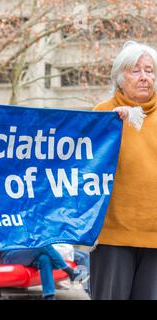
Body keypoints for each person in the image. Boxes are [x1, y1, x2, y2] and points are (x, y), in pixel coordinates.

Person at [91, 41, 157, 300]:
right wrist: (109, 128)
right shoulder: (103, 114)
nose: (144, 77)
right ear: (120, 77)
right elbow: (85, 169)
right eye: (136, 71)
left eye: (149, 71)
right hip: (112, 235)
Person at [0, 245, 82, 300]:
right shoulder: (2, 223)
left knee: (44, 258)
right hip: (8, 256)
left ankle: (49, 295)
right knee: (41, 245)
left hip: (25, 252)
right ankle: (68, 270)